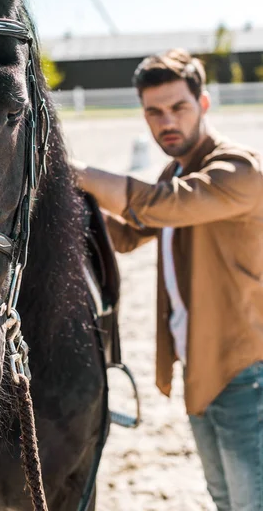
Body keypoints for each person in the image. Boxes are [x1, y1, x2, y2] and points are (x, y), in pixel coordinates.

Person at [73, 48, 263, 511]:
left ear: (204, 104)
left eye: (178, 107)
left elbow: (160, 205)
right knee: (225, 499)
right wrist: (69, 202)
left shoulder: (240, 171)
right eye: (153, 112)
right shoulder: (176, 171)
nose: (166, 122)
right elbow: (126, 234)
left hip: (246, 369)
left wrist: (73, 172)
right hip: (198, 364)